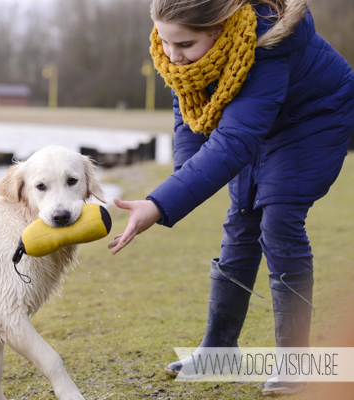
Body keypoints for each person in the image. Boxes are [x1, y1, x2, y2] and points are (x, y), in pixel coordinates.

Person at [108, 0, 354, 396]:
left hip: (312, 119)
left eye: (184, 44)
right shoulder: (185, 55)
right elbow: (192, 116)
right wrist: (183, 184)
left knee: (278, 220)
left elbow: (235, 142)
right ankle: (218, 350)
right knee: (241, 218)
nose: (173, 56)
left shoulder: (268, 47)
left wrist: (158, 204)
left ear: (221, 28)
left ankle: (296, 362)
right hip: (258, 123)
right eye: (164, 42)